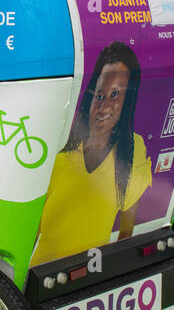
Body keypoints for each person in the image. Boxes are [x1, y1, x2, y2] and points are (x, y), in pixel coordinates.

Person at [31, 41, 152, 266]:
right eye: (99, 95)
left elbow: (126, 234)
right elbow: (32, 233)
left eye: (115, 95)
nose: (105, 105)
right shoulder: (61, 153)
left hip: (90, 276)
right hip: (40, 276)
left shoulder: (133, 151)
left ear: (128, 102)